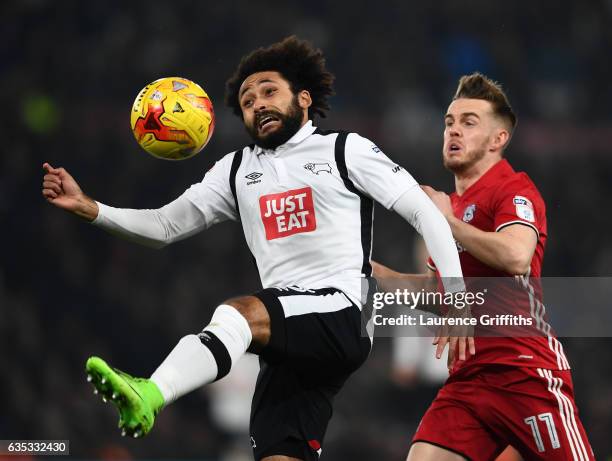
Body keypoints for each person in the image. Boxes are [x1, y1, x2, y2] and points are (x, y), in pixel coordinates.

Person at [41, 36, 466, 461]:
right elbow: (164, 225)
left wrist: (457, 298)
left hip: (343, 312)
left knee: (237, 313)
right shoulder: (236, 171)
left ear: (302, 98)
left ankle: (151, 392)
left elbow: (424, 214)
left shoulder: (343, 149)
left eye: (268, 91)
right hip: (291, 337)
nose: (258, 104)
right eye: (247, 100)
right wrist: (92, 208)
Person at [373, 73, 594, 461]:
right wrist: (364, 270)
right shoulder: (449, 208)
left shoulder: (513, 189)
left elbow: (516, 257)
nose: (454, 130)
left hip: (523, 369)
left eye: (469, 122)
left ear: (498, 139)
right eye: (449, 122)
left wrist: (445, 224)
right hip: (467, 381)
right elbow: (435, 293)